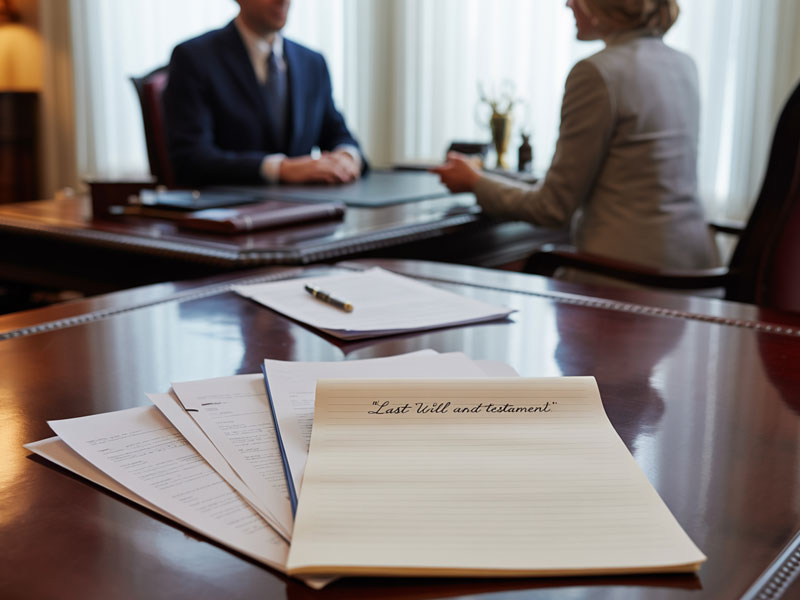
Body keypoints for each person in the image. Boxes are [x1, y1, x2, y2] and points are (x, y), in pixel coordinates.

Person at [432, 0, 719, 285]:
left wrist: (475, 183)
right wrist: (487, 176)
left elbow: (552, 208)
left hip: (626, 278)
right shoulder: (683, 64)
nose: (567, 4)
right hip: (695, 272)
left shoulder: (597, 72)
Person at [163, 0, 365, 187]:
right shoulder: (194, 58)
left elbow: (338, 134)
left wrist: (347, 158)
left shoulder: (312, 63)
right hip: (233, 212)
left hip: (307, 210)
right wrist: (280, 169)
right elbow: (191, 160)